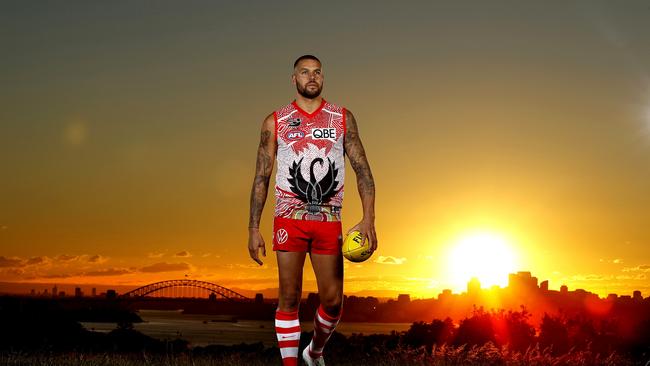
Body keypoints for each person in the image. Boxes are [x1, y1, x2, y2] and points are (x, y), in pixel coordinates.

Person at [247, 55, 377, 366]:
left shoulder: (341, 117)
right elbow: (261, 176)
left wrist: (369, 218)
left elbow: (363, 170)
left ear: (323, 78)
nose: (312, 77)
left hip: (329, 219)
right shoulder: (274, 121)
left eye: (317, 72)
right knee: (288, 298)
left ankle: (314, 352)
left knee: (333, 303)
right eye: (304, 72)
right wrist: (253, 227)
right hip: (288, 218)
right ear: (294, 79)